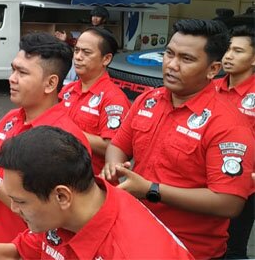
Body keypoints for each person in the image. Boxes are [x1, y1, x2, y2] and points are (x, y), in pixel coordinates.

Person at [103, 19, 254, 259]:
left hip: (187, 250)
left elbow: (229, 202)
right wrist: (113, 165)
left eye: (186, 59)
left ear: (213, 69)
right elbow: (118, 145)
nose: (171, 65)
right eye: (169, 54)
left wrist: (151, 190)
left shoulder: (228, 124)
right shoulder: (148, 100)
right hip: (133, 235)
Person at [0, 127, 194, 260]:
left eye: (20, 201)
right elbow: (22, 252)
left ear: (62, 196)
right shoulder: (68, 213)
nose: (14, 208)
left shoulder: (135, 252)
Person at [0, 32, 91, 244]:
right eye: (13, 69)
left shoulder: (65, 142)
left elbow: (57, 214)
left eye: (22, 73)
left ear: (50, 83)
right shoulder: (10, 119)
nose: (12, 79)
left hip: (27, 250)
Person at [59, 27, 130, 175]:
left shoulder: (114, 99)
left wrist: (65, 131)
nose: (78, 57)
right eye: (76, 50)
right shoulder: (67, 90)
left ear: (106, 59)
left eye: (86, 52)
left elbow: (113, 147)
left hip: (91, 183)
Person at [216, 25, 255, 259]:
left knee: (233, 249)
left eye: (238, 51)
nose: (229, 56)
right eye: (228, 49)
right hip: (208, 186)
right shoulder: (210, 88)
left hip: (245, 189)